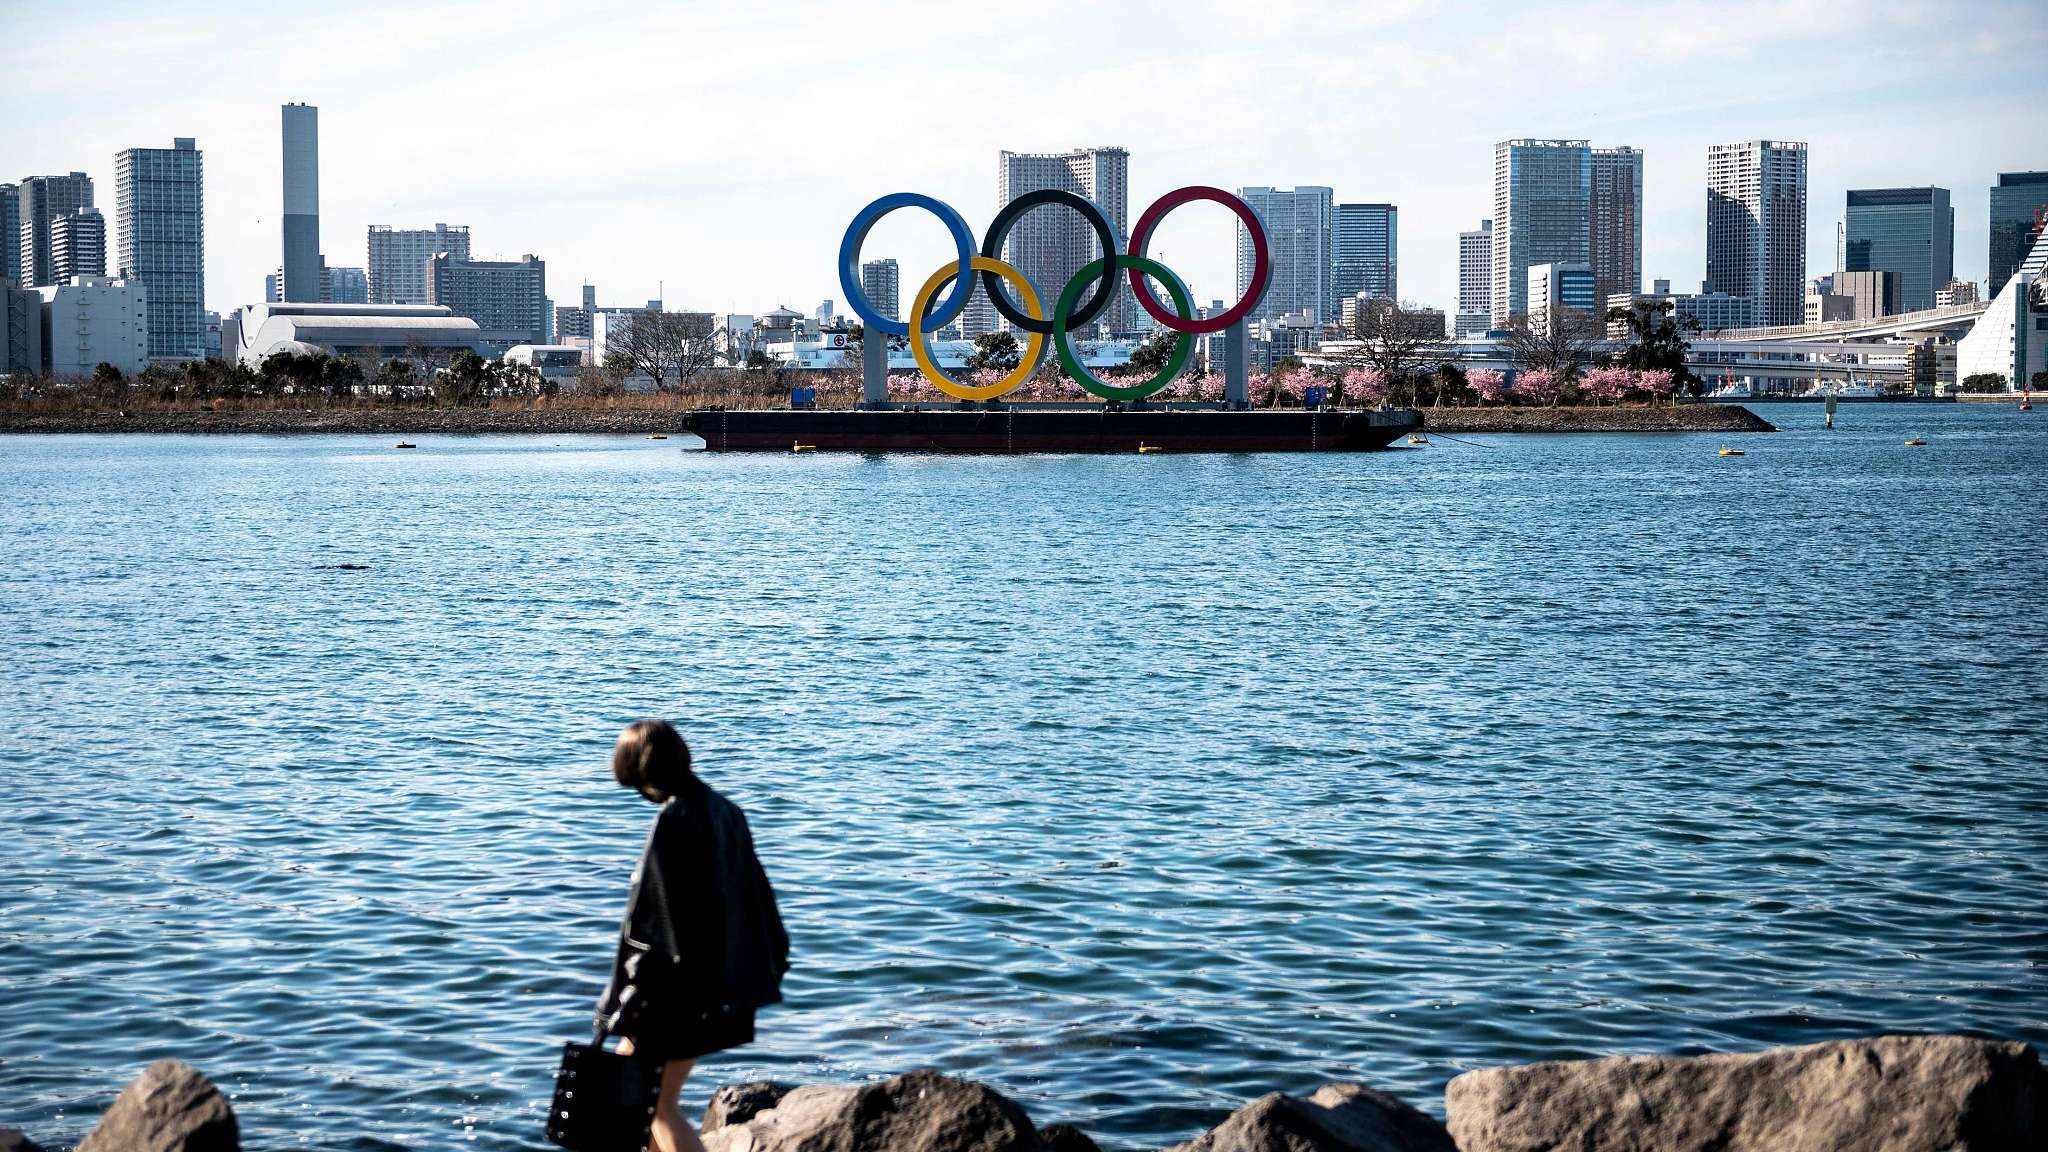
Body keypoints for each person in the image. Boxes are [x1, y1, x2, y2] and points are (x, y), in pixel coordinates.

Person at [597, 721, 789, 1152]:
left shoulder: (675, 818)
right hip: (716, 983)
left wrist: (629, 993)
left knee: (657, 1104)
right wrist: (770, 966)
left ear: (639, 768)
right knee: (629, 1082)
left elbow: (657, 925)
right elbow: (759, 899)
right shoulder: (726, 810)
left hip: (678, 990)